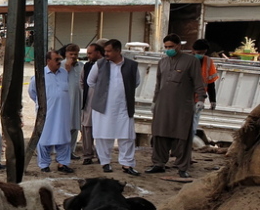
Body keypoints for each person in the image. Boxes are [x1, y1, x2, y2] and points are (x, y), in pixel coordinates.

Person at [146, 34, 206, 179]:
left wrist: (201, 100)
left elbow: (199, 83)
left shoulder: (191, 61)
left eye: (171, 47)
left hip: (182, 106)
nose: (168, 49)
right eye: (166, 47)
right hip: (162, 104)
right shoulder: (162, 62)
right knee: (159, 134)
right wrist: (154, 101)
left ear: (179, 46)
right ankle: (158, 164)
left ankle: (182, 167)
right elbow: (158, 84)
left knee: (182, 136)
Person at [87, 39, 141, 176]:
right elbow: (90, 81)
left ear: (118, 51)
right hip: (103, 107)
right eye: (105, 51)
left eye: (109, 51)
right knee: (103, 136)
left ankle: (127, 164)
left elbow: (136, 82)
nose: (106, 53)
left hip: (123, 107)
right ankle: (105, 163)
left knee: (127, 137)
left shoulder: (132, 65)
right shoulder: (100, 64)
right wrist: (103, 93)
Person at [29, 50, 74, 173]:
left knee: (64, 137)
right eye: (56, 60)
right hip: (47, 113)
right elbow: (32, 92)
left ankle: (62, 163)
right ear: (48, 61)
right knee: (45, 138)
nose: (59, 62)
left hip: (63, 112)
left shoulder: (64, 73)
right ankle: (44, 164)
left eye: (60, 59)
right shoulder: (40, 75)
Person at [80, 43, 104, 165]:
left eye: (90, 53)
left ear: (98, 52)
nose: (88, 55)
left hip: (103, 103)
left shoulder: (107, 65)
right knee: (87, 128)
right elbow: (82, 82)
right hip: (88, 102)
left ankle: (102, 156)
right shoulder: (87, 66)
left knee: (101, 129)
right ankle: (87, 155)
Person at [192, 39, 219, 139]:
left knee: (192, 127)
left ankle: (185, 148)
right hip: (184, 99)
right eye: (199, 53)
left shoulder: (208, 62)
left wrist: (213, 100)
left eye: (203, 52)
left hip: (198, 100)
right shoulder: (186, 61)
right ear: (193, 50)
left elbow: (211, 84)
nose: (201, 55)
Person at [62, 43, 83, 158]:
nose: (74, 56)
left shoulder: (81, 66)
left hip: (78, 101)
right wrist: (67, 68)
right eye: (71, 54)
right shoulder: (61, 66)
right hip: (66, 102)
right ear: (66, 54)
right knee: (65, 127)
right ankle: (63, 152)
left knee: (75, 126)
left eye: (76, 54)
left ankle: (71, 151)